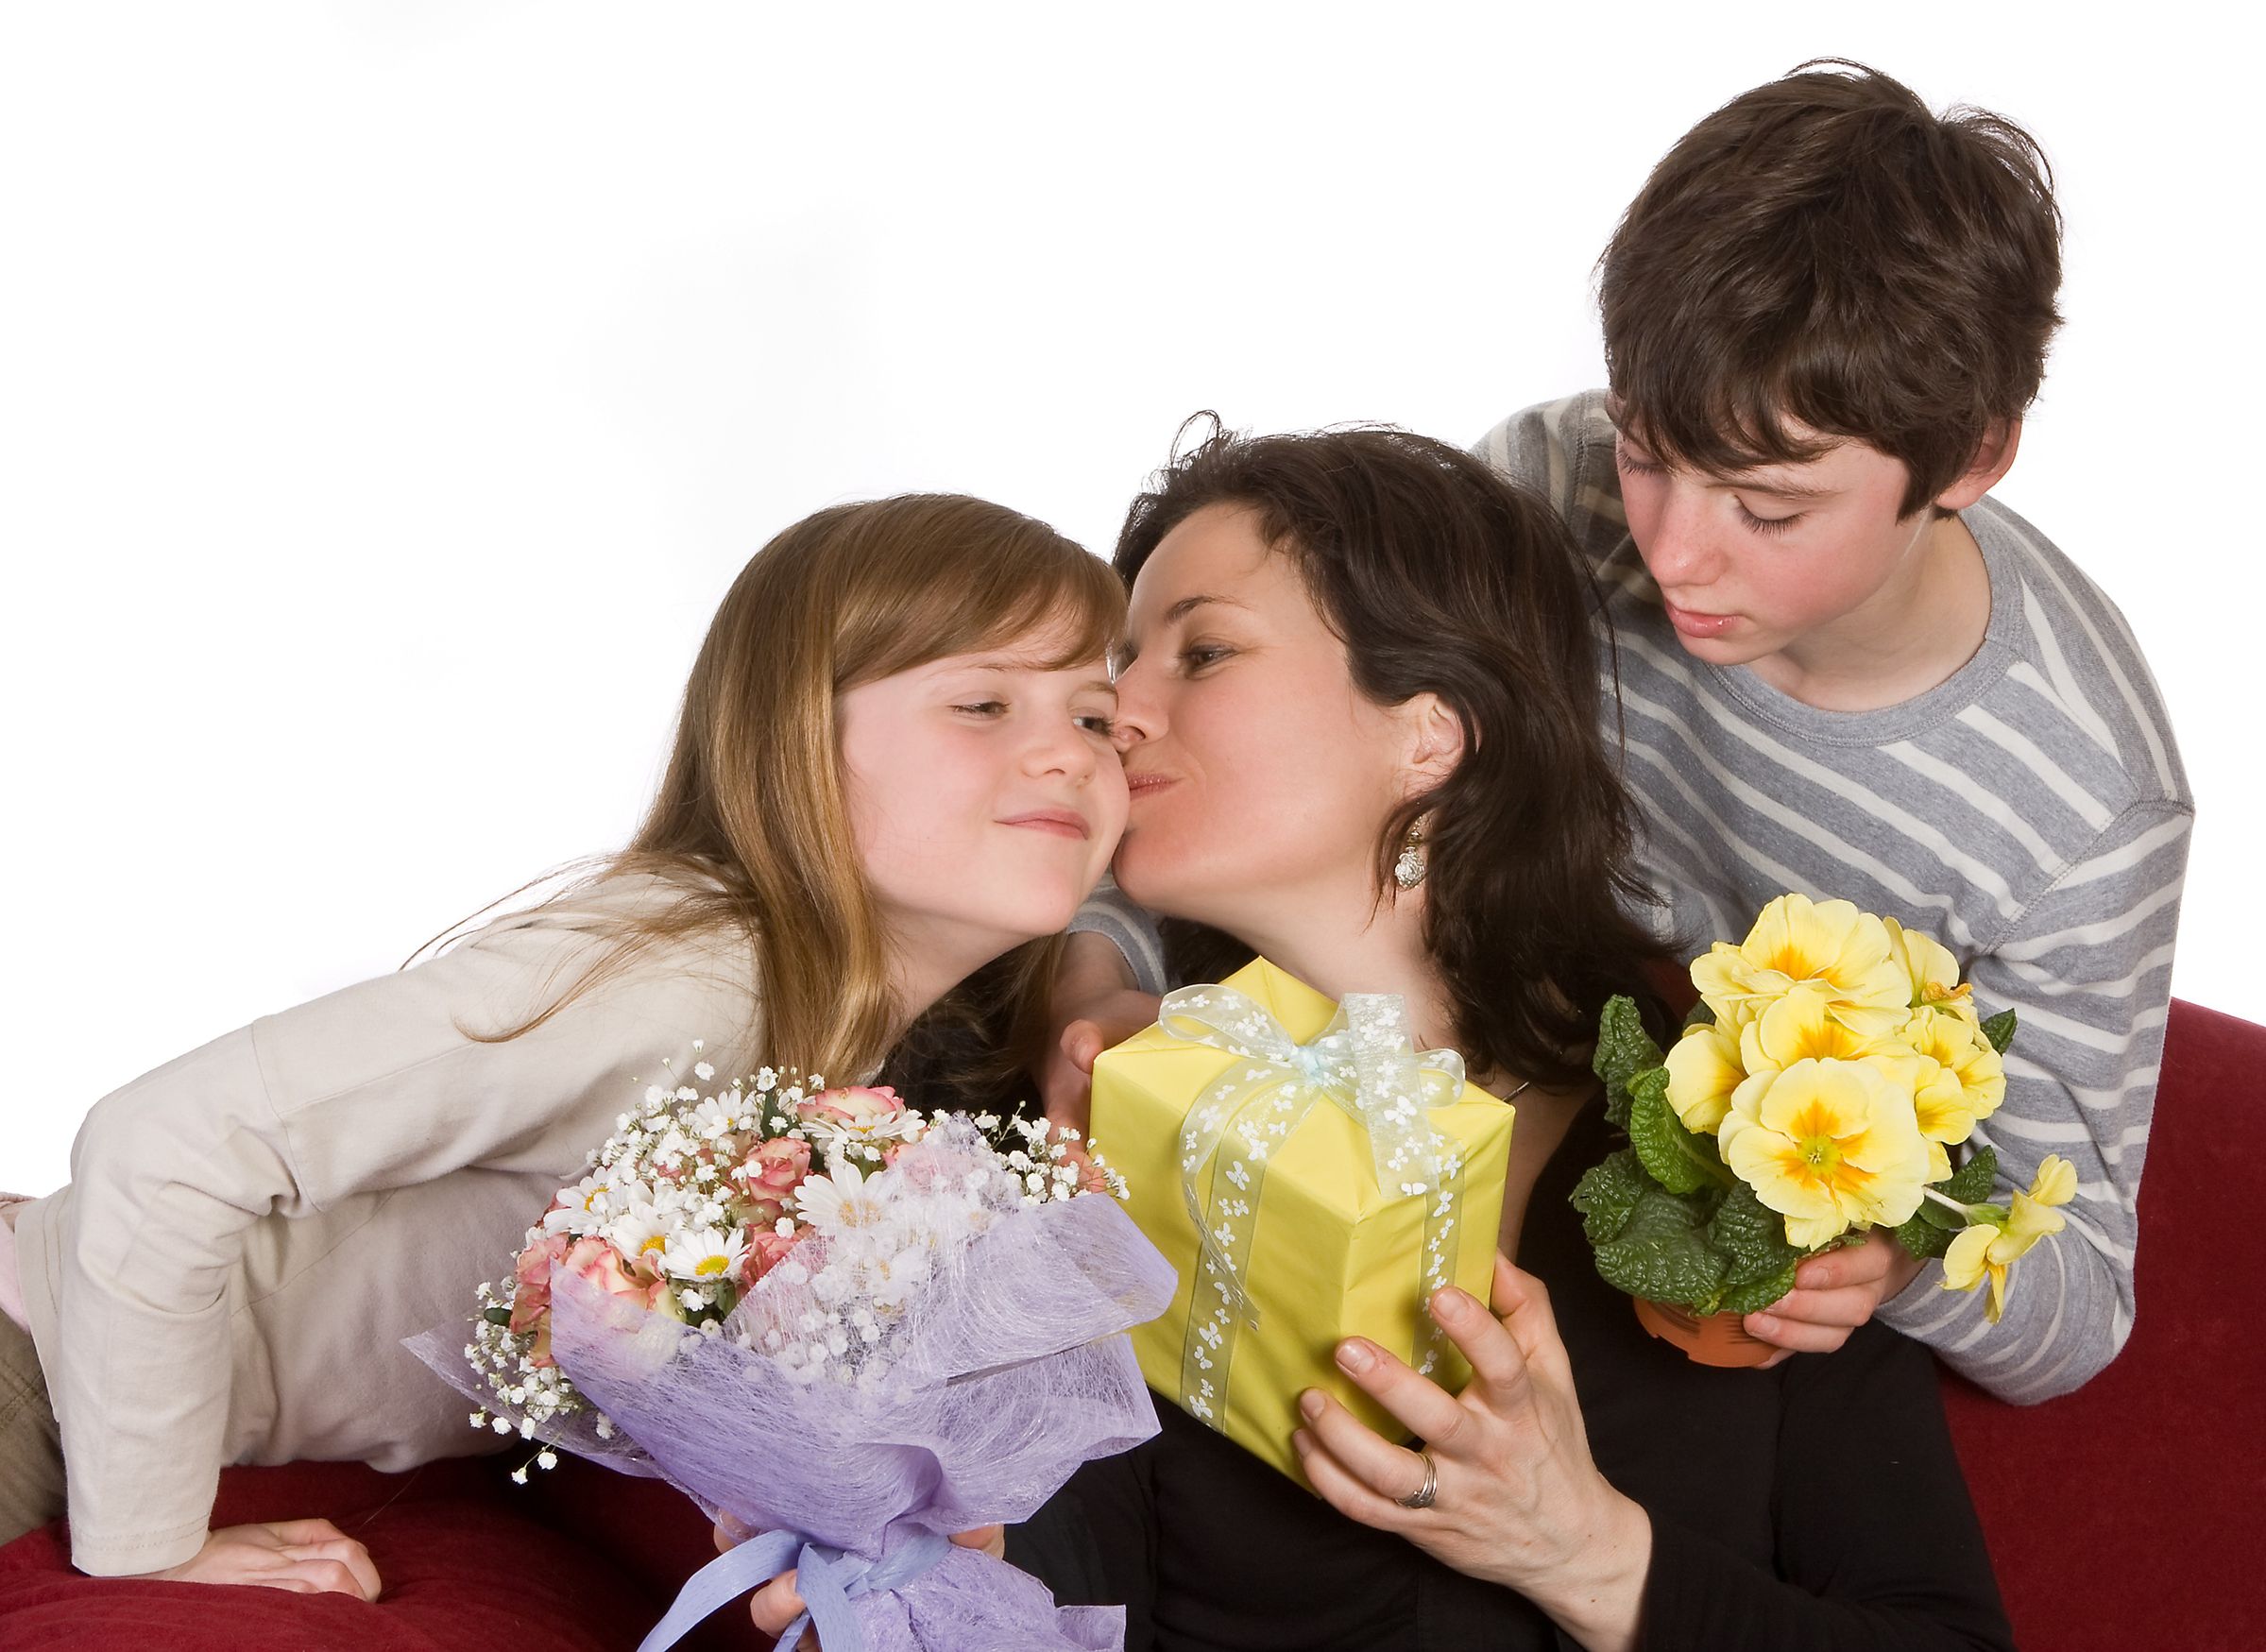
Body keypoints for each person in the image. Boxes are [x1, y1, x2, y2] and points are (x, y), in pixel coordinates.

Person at [1057, 62, 2189, 1404]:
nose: (1667, 550)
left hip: (1653, 1296)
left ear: (1966, 464)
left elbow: (2076, 1305)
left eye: (1764, 510)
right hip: (1397, 1102)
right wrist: (1088, 990)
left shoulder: (2080, 800)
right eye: (1646, 449)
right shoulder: (1546, 477)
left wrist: (1894, 1260)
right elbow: (1278, 762)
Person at [0, 493, 1128, 1601]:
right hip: (28, 1380)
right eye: (983, 704)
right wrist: (150, 1553)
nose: (1067, 757)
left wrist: (1103, 975)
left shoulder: (842, 1037)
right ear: (793, 737)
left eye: (1091, 716)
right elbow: (163, 1146)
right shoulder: (684, 980)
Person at [1013, 423, 2011, 1650]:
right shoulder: (1109, 1108)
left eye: (1201, 650)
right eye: (1122, 662)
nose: (1119, 711)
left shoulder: (1752, 1127)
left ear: (1428, 732)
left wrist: (1586, 1554)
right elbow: (1057, 1586)